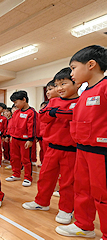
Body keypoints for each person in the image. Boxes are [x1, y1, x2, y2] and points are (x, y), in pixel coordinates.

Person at [56, 45, 107, 239]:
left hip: (101, 152)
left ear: (91, 65)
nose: (72, 73)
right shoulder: (84, 91)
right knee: (82, 189)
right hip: (83, 149)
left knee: (103, 195)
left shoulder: (105, 87)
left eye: (74, 68)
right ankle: (84, 225)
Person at [22, 67, 80, 225]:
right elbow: (44, 117)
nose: (59, 88)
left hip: (71, 150)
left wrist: (55, 113)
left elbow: (72, 116)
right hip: (52, 147)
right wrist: (55, 113)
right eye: (57, 85)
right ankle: (41, 202)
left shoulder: (80, 102)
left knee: (68, 182)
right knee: (45, 177)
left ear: (77, 84)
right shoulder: (53, 101)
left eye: (63, 83)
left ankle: (66, 209)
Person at [5, 90, 38, 187]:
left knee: (26, 159)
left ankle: (28, 177)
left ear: (24, 100)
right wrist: (10, 135)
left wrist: (30, 139)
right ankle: (16, 174)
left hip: (25, 140)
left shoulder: (31, 112)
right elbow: (12, 125)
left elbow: (32, 126)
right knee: (14, 157)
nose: (15, 105)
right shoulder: (16, 113)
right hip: (15, 138)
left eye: (16, 102)